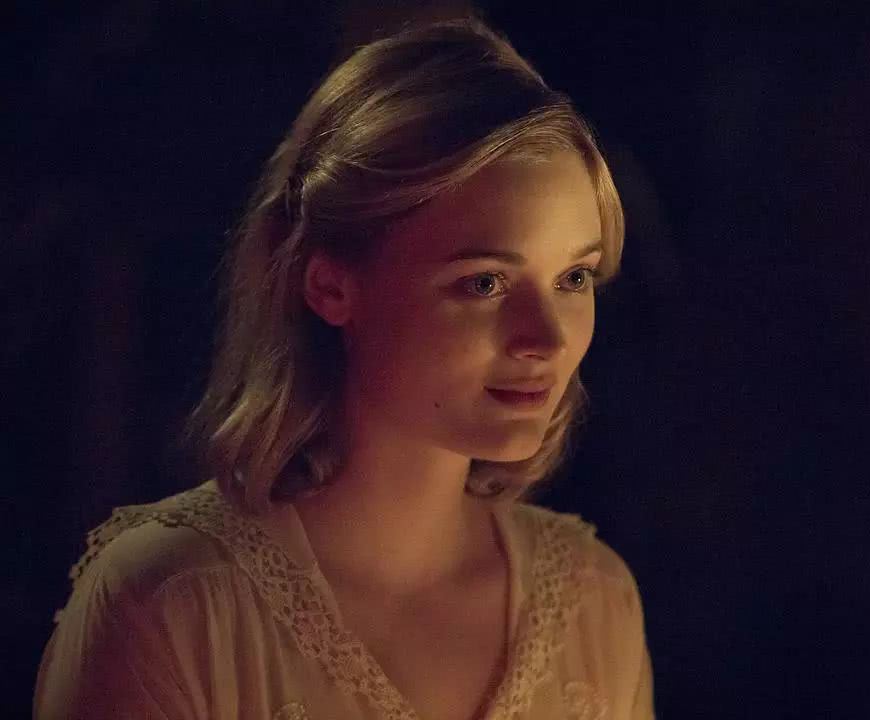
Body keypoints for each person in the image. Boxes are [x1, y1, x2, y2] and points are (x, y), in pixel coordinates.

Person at [33, 19, 653, 720]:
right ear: (331, 287)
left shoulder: (596, 600)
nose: (546, 338)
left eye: (574, 278)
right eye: (484, 283)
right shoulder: (171, 606)